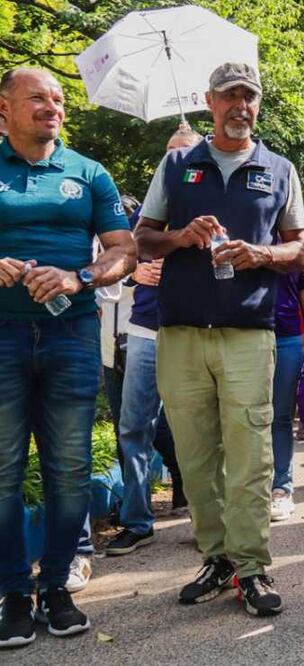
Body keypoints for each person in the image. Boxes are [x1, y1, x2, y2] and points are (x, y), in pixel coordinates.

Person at [134, 62, 304, 617]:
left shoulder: (278, 169)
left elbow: (299, 250)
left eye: (249, 97)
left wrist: (260, 254)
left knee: (251, 453)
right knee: (195, 453)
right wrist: (183, 237)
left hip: (247, 332)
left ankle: (252, 567)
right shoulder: (178, 162)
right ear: (209, 100)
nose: (241, 105)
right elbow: (141, 239)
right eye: (230, 96)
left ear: (257, 104)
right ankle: (217, 559)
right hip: (181, 330)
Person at [0, 67, 136, 648]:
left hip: (72, 337)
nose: (52, 106)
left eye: (58, 99)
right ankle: (11, 593)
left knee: (70, 468)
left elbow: (124, 250)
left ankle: (56, 585)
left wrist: (79, 276)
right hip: (2, 337)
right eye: (37, 98)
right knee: (3, 470)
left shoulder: (89, 173)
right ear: (4, 107)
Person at [103, 125, 201, 557]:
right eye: (169, 152)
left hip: (192, 329)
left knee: (198, 429)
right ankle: (137, 520)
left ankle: (205, 517)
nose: (175, 159)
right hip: (143, 329)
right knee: (133, 427)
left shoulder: (212, 210)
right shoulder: (142, 214)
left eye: (184, 152)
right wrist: (132, 272)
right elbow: (115, 257)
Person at [270, 251, 304, 521]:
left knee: (280, 417)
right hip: (242, 337)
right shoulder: (241, 229)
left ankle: (281, 488)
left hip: (287, 338)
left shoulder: (299, 247)